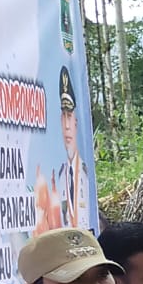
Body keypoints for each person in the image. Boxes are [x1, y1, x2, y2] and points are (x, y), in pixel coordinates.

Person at [55, 65, 91, 230]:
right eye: (64, 117)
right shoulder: (61, 175)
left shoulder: (85, 171)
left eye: (69, 117)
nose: (67, 126)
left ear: (76, 123)